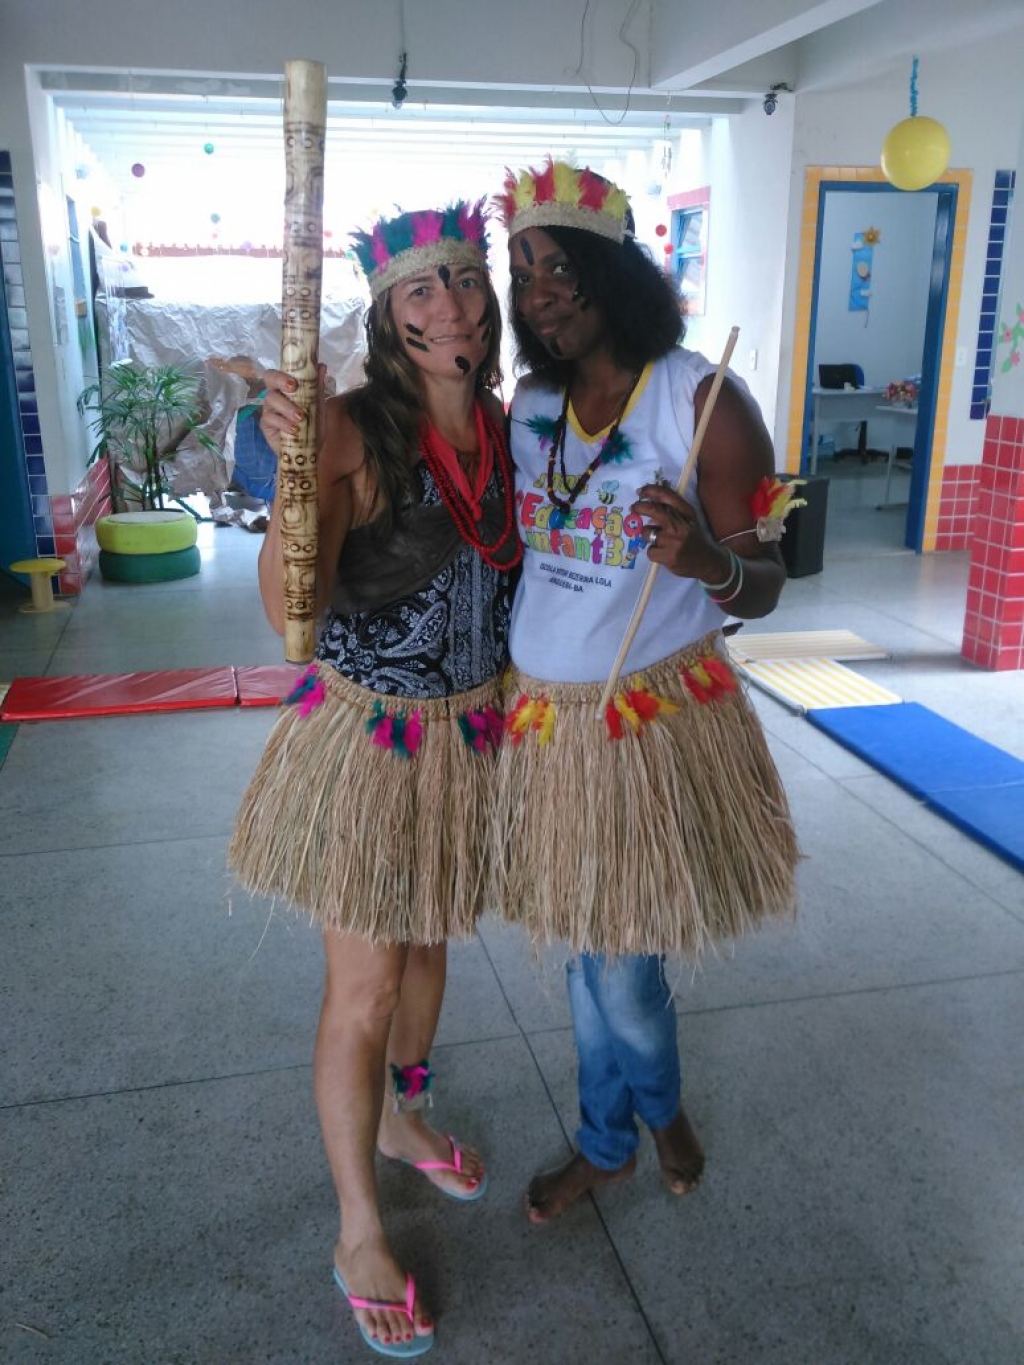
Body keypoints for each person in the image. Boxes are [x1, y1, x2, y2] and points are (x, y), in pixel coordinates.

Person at [229, 202, 520, 1357]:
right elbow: (288, 615)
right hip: (372, 746)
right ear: (387, 316)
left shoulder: (500, 426)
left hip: (466, 741)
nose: (449, 305)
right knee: (362, 987)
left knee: (430, 944)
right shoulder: (351, 430)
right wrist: (296, 474)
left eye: (464, 279)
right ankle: (358, 1232)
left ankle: (403, 1116)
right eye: (420, 290)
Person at [492, 161, 800, 1224]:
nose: (539, 295)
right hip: (546, 726)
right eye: (523, 273)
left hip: (650, 723)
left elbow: (767, 581)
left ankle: (651, 1118)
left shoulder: (701, 400)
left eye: (559, 268)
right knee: (586, 952)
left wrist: (705, 560)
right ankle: (611, 1135)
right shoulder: (531, 405)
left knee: (619, 968)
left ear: (614, 272)